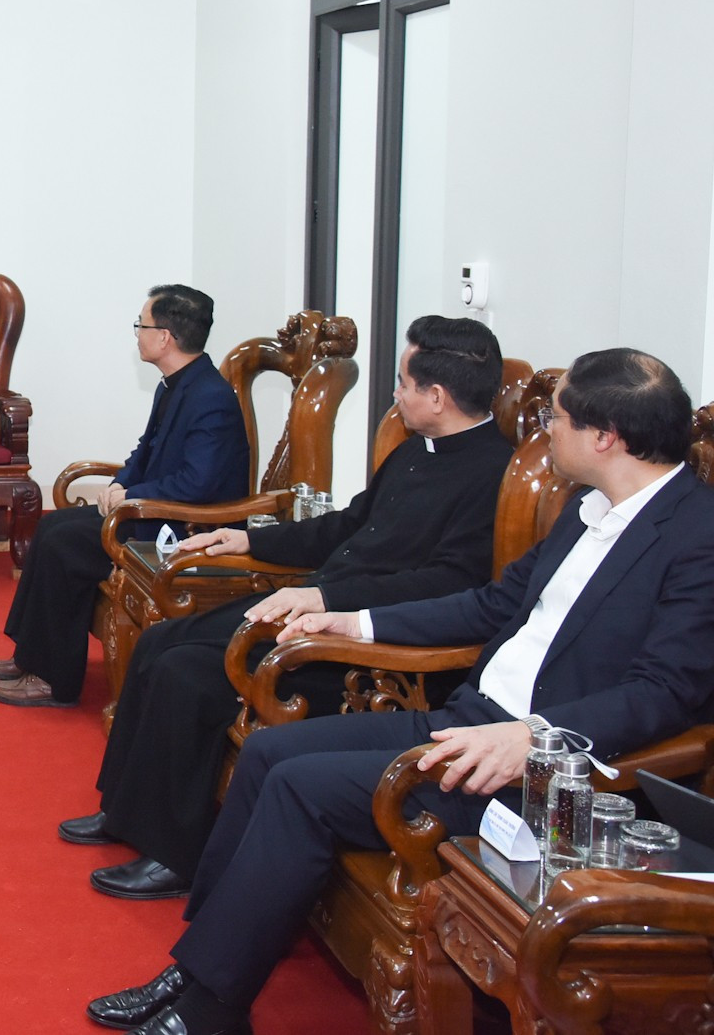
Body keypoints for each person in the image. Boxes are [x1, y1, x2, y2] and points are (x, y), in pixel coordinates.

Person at [90, 348, 714, 1035]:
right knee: (271, 755)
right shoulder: (585, 509)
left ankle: (211, 1008)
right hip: (468, 718)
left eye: (558, 420)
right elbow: (488, 605)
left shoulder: (694, 535)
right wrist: (351, 618)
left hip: (534, 770)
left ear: (606, 437)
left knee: (303, 787)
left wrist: (534, 736)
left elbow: (664, 692)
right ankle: (199, 966)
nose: (545, 433)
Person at [63, 316, 513, 902]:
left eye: (403, 383)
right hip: (318, 600)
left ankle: (175, 855)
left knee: (188, 675)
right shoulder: (412, 450)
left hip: (368, 643)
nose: (395, 395)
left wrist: (329, 599)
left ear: (437, 395)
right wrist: (248, 539)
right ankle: (126, 811)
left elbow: (448, 582)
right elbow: (350, 526)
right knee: (159, 643)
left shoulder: (496, 476)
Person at [0, 284, 247, 707]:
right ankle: (32, 656)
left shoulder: (211, 397)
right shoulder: (174, 384)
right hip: (154, 508)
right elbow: (146, 449)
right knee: (51, 525)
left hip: (185, 525)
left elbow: (200, 484)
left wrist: (132, 495)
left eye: (140, 325)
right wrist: (119, 484)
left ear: (165, 337)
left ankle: (55, 681)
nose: (136, 333)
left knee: (65, 544)